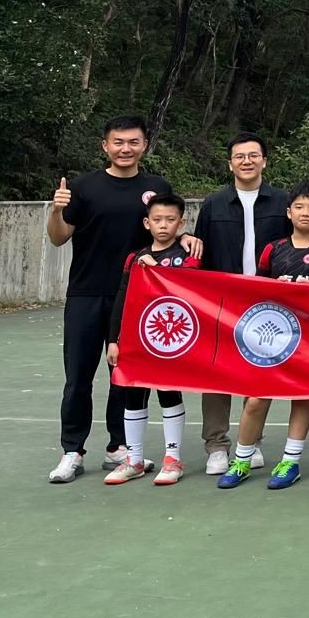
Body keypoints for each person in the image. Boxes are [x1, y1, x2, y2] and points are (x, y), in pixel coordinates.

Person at [46, 115, 188, 484]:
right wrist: (57, 209)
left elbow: (168, 225)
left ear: (145, 145)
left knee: (124, 376)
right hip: (86, 292)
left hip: (136, 298)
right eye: (118, 142)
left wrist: (186, 240)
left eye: (133, 142)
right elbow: (59, 237)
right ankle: (72, 450)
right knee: (78, 376)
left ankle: (119, 447)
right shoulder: (82, 187)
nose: (126, 149)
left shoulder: (156, 187)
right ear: (105, 146)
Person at [218, 181, 309, 491]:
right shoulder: (274, 249)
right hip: (272, 339)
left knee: (301, 398)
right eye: (299, 207)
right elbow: (258, 291)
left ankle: (291, 460)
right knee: (256, 400)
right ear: (289, 212)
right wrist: (279, 286)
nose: (306, 212)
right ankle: (242, 459)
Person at [190, 132, 290, 475]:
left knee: (257, 372)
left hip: (267, 303)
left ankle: (253, 442)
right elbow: (198, 254)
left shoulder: (283, 203)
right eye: (239, 156)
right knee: (217, 374)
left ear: (264, 160)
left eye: (253, 155)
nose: (246, 161)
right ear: (230, 162)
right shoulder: (214, 205)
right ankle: (216, 446)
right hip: (220, 303)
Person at [104, 193, 200, 486]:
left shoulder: (188, 257)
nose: (163, 225)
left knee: (169, 393)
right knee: (133, 395)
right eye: (157, 219)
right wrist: (113, 339)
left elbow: (191, 292)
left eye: (170, 220)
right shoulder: (135, 258)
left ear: (181, 223)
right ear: (147, 222)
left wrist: (155, 272)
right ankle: (133, 459)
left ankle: (173, 458)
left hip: (171, 339)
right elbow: (122, 298)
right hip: (136, 340)